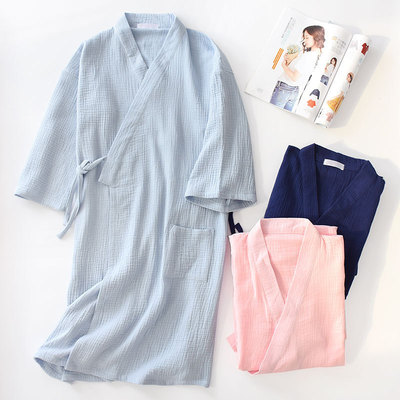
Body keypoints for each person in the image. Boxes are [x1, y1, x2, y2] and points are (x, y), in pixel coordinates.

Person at [270, 25, 325, 111]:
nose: (304, 40)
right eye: (304, 38)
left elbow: (294, 77)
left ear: (316, 37)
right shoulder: (317, 55)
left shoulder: (307, 56)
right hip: (295, 91)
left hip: (284, 88)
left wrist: (284, 66)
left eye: (307, 37)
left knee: (271, 113)